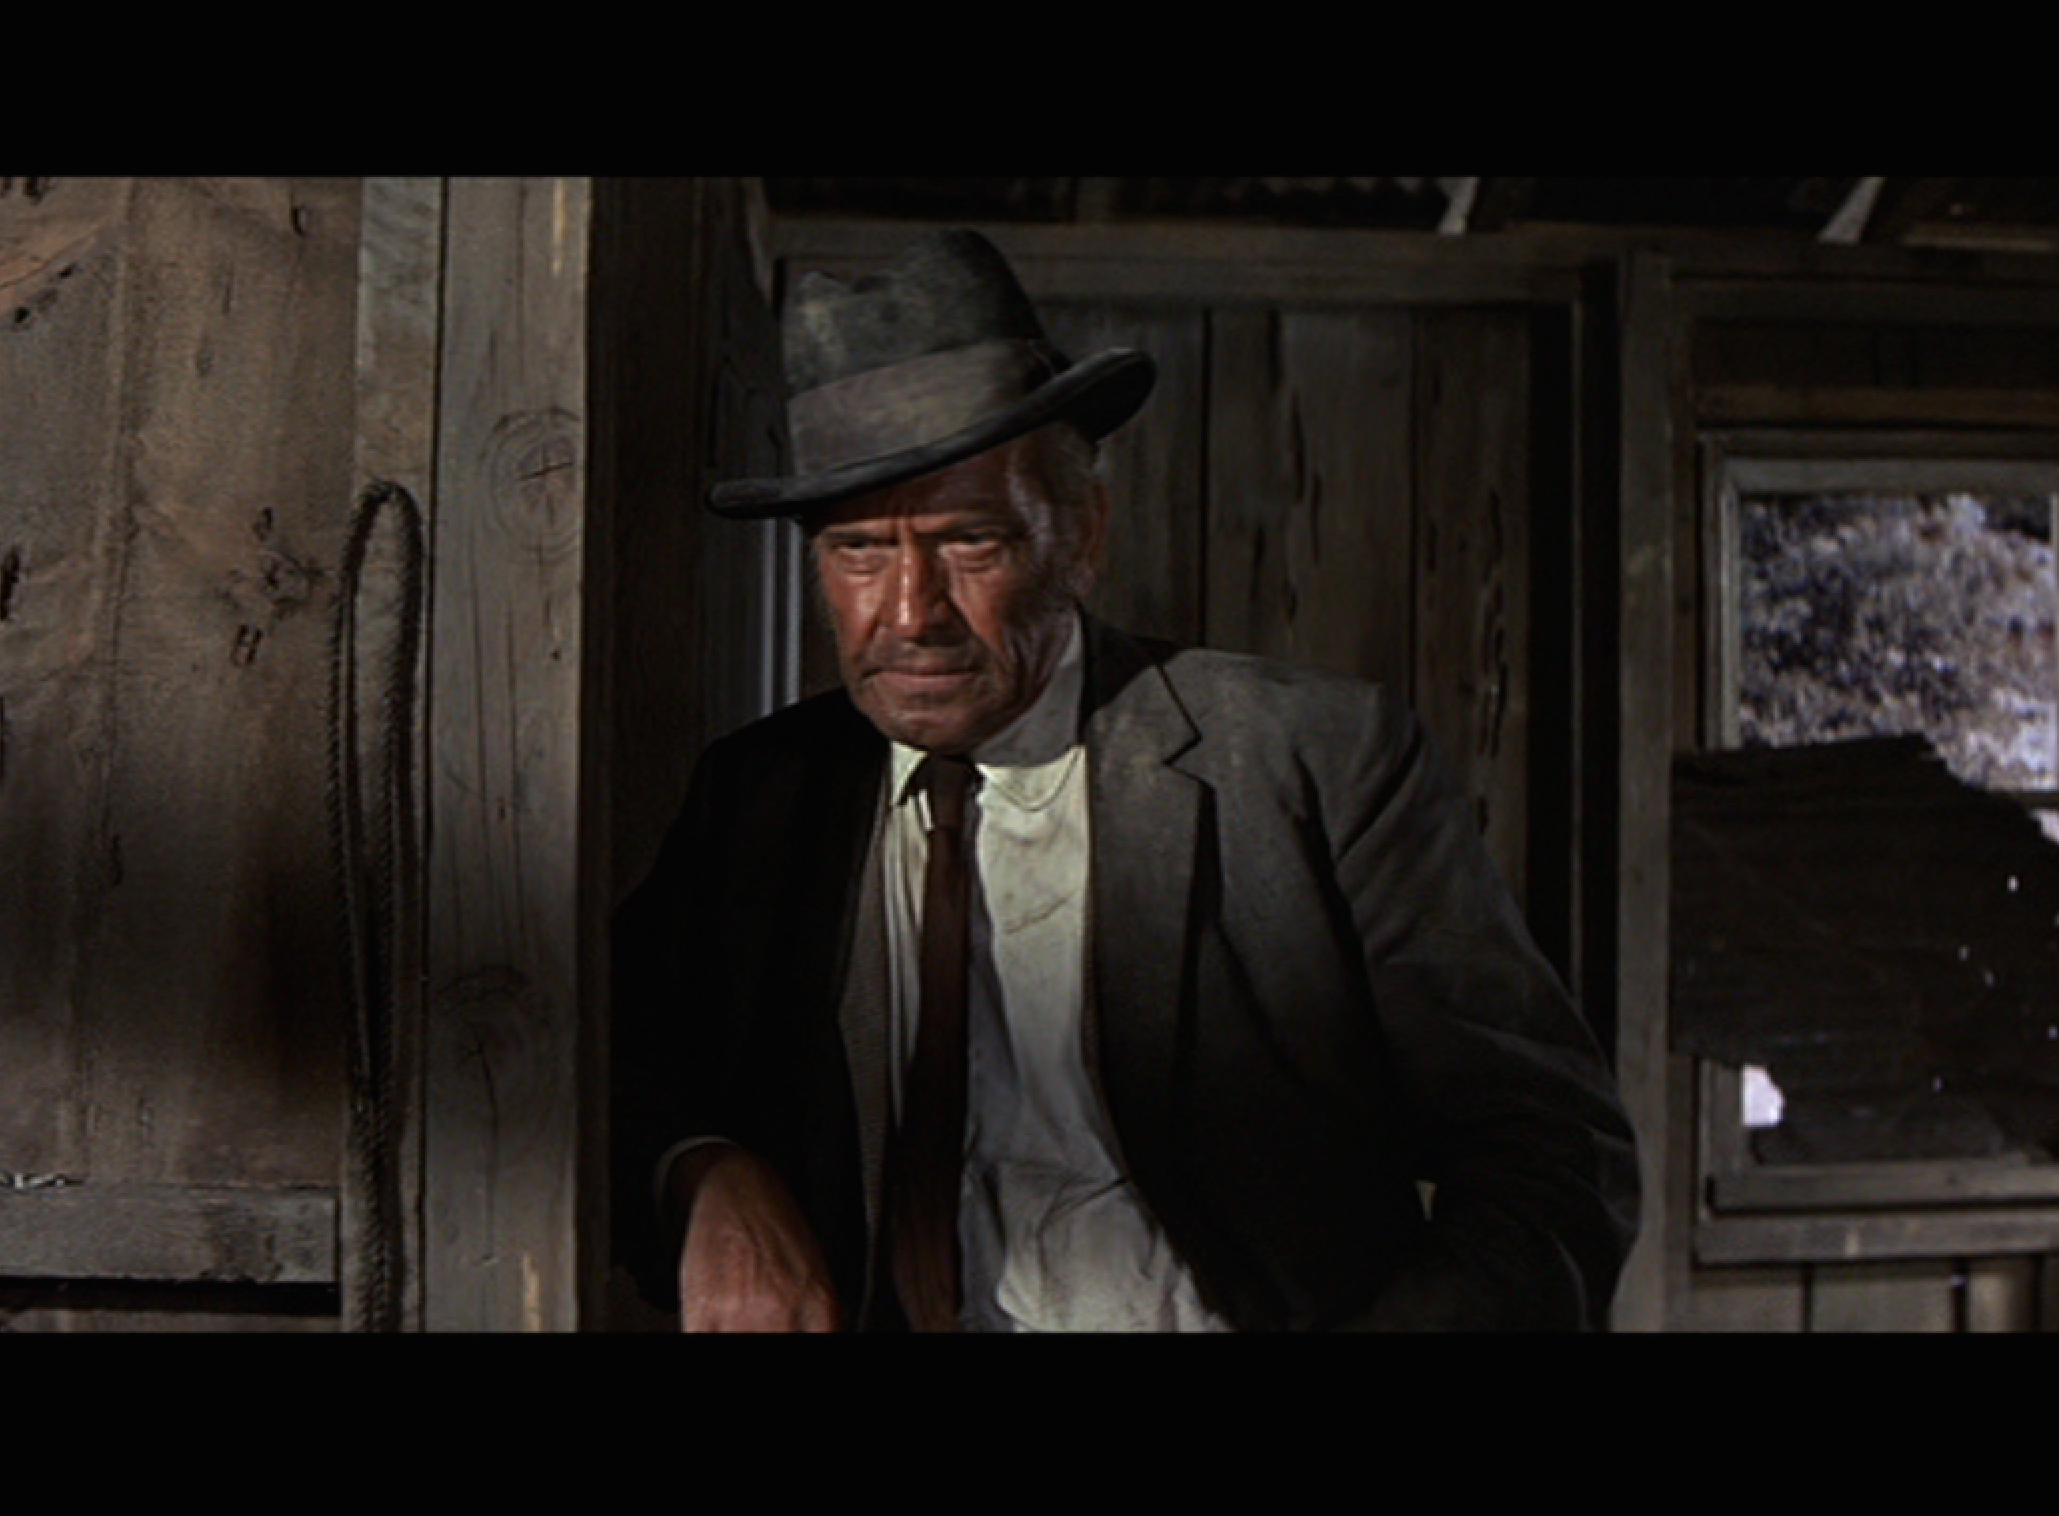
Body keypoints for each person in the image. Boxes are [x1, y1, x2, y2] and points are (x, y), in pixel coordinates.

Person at [610, 229, 1637, 1331]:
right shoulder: (757, 800)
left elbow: (1552, 1153)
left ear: (1083, 537)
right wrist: (700, 1168)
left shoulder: (1315, 761)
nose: (909, 613)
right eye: (858, 551)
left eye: (971, 543)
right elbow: (613, 1064)